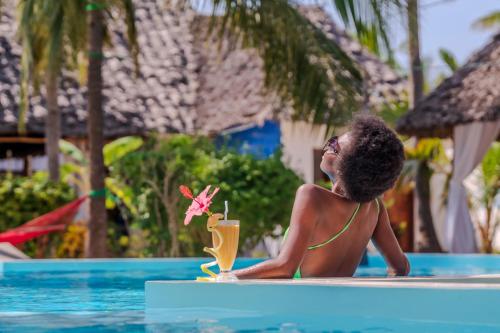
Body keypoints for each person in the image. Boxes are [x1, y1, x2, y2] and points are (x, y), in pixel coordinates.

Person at [233, 114, 410, 279]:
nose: (326, 148)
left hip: (302, 308)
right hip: (343, 307)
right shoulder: (375, 209)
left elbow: (285, 267)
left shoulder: (311, 196)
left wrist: (228, 277)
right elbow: (401, 268)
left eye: (333, 145)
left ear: (345, 164)